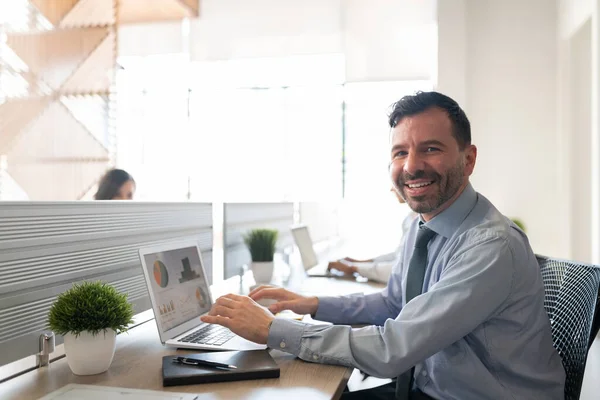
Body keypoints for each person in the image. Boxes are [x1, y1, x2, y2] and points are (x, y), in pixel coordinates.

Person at [200, 91, 565, 399]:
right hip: (431, 386)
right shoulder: (420, 224)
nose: (411, 166)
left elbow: (393, 348)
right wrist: (312, 304)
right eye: (400, 152)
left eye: (431, 149)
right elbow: (394, 303)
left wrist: (272, 330)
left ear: (467, 160)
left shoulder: (488, 246)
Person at [327, 189, 416, 283]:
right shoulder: (409, 218)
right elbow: (398, 255)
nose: (391, 189)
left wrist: (353, 268)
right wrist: (362, 262)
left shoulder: (421, 222)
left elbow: (402, 271)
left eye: (393, 185)